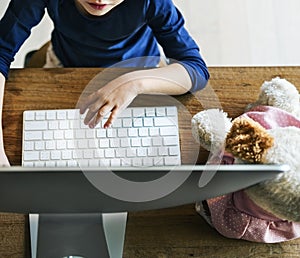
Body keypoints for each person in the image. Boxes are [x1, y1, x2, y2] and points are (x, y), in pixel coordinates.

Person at [0, 0, 210, 166]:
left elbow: (196, 69)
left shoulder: (153, 2)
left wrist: (133, 83)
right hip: (65, 65)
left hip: (142, 72)